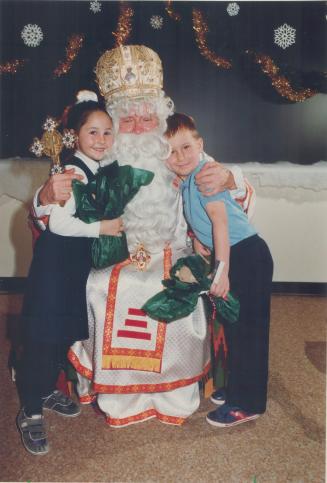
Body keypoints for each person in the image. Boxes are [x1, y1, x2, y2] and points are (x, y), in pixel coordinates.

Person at [31, 45, 254, 427]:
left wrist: (232, 180)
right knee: (101, 288)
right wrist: (46, 196)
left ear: (160, 116)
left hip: (175, 247)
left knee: (174, 293)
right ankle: (116, 395)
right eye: (127, 119)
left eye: (145, 115)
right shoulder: (99, 159)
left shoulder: (179, 152)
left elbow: (234, 201)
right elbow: (47, 213)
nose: (137, 125)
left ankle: (173, 392)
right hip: (114, 253)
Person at [16, 91, 123, 455]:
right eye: (92, 132)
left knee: (61, 333)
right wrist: (102, 229)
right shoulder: (73, 171)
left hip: (73, 265)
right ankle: (30, 410)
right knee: (44, 336)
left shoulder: (95, 170)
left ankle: (45, 390)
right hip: (55, 265)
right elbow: (59, 223)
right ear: (76, 135)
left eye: (107, 133)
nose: (101, 140)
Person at [165, 112, 273, 427]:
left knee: (249, 332)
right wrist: (200, 243)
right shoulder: (187, 181)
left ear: (201, 144)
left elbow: (221, 223)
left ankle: (249, 403)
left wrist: (222, 270)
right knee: (235, 329)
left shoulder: (203, 177)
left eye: (186, 147)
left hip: (246, 257)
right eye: (171, 151)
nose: (180, 156)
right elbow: (206, 225)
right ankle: (237, 387)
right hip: (234, 255)